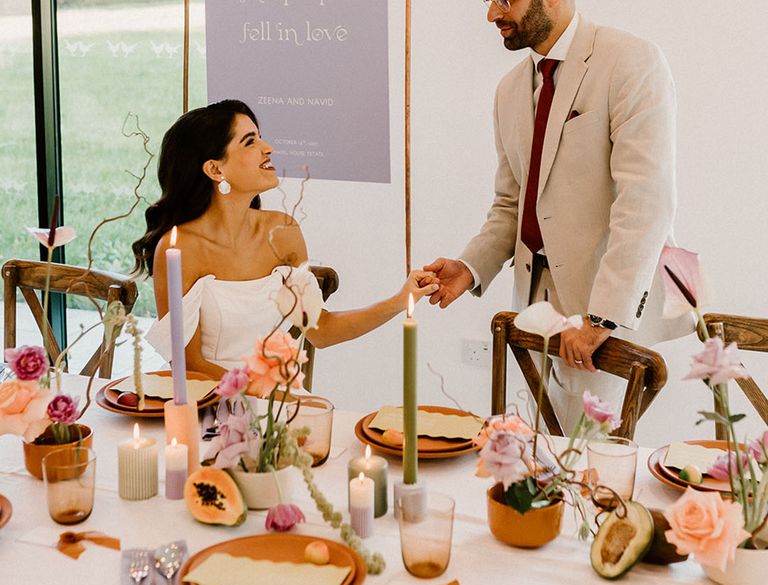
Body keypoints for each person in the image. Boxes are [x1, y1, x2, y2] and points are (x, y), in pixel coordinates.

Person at [425, 0, 692, 428]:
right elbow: (513, 204)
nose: (492, 14)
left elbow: (646, 202)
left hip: (604, 312)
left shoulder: (631, 60)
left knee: (591, 464)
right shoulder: (508, 90)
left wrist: (600, 317)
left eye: (504, 0)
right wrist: (471, 266)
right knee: (543, 452)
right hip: (531, 309)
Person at [133, 99, 437, 380]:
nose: (268, 148)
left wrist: (400, 300)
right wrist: (256, 393)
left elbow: (321, 329)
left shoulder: (284, 231)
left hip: (278, 403)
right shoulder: (180, 248)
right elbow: (188, 365)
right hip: (212, 404)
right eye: (250, 142)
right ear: (215, 169)